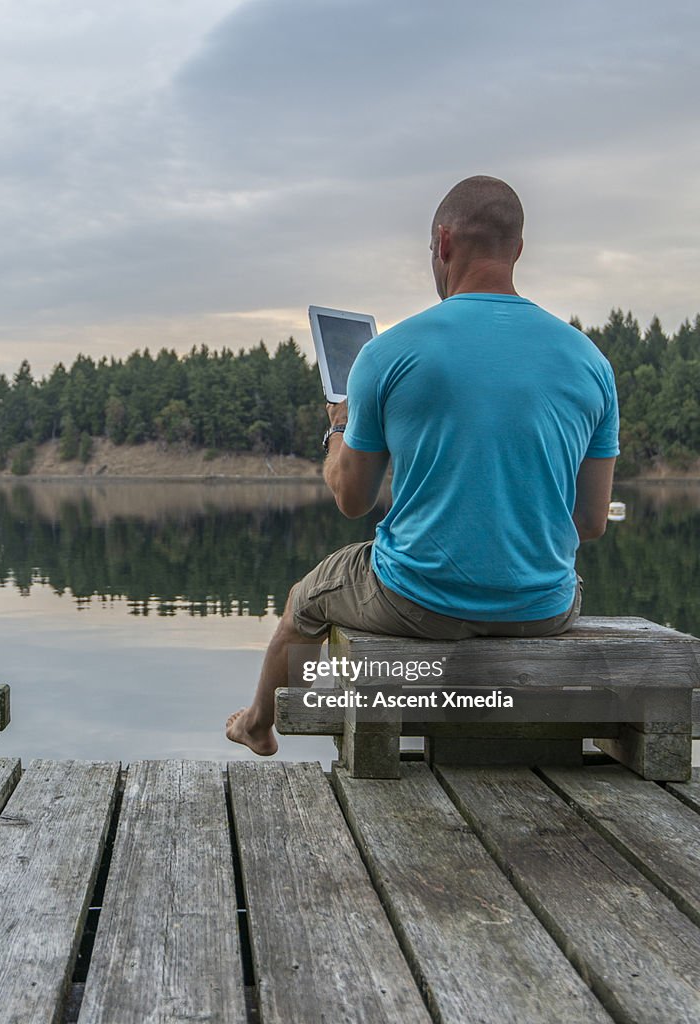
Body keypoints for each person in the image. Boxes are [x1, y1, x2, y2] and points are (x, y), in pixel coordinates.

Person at [226, 175, 619, 756]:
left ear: (442, 243)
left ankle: (266, 722)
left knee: (305, 600)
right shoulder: (590, 361)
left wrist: (338, 425)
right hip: (543, 608)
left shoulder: (385, 354)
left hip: (416, 600)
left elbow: (352, 500)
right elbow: (590, 523)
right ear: (518, 248)